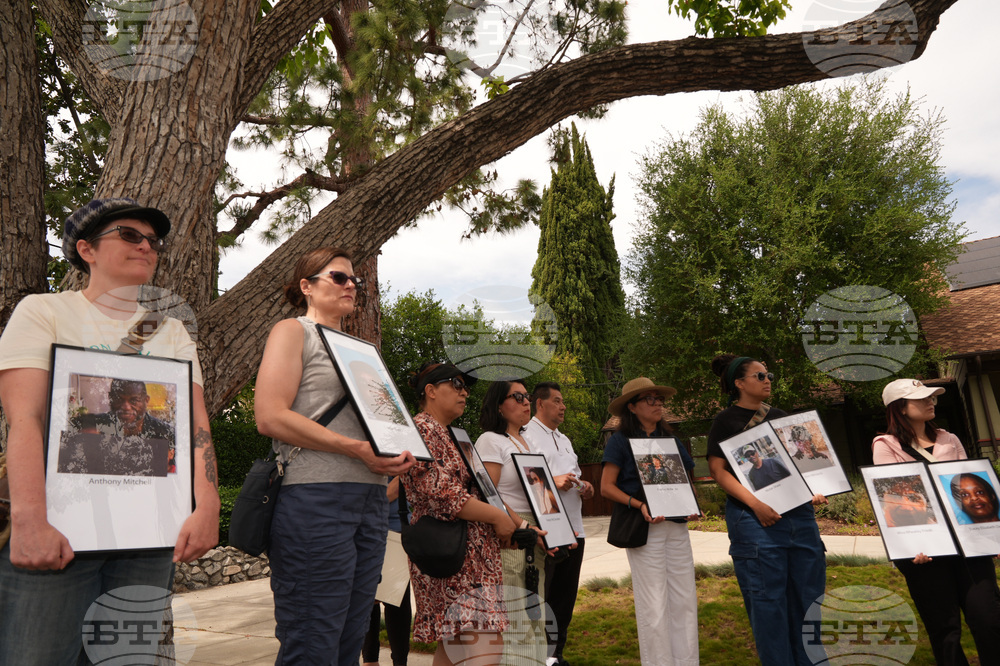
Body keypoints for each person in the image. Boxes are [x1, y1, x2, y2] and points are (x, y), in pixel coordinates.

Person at [0, 198, 221, 664]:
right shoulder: (43, 312)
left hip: (146, 537)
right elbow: (26, 419)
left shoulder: (172, 330)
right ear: (86, 249)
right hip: (61, 531)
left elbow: (195, 425)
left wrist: (208, 504)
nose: (146, 246)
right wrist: (30, 520)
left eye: (153, 240)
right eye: (129, 235)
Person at [254, 247, 415, 665]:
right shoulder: (293, 331)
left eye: (355, 281)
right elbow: (270, 416)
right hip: (315, 498)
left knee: (351, 636)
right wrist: (356, 448)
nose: (351, 286)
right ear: (306, 286)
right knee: (312, 639)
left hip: (372, 502)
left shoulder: (363, 350)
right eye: (339, 277)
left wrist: (398, 454)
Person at [706, 355, 827, 666]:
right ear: (739, 383)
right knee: (768, 605)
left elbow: (803, 464)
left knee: (809, 600)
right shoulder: (725, 421)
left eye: (768, 374)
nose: (768, 379)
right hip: (753, 522)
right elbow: (719, 472)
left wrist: (814, 487)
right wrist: (756, 504)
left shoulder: (782, 417)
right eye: (760, 376)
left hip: (799, 518)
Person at [872, 378, 1000, 665]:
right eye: (921, 398)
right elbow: (895, 497)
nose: (931, 401)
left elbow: (967, 485)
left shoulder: (949, 439)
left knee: (989, 619)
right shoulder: (885, 445)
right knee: (946, 631)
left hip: (967, 547)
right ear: (900, 407)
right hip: (925, 553)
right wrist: (912, 545)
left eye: (932, 397)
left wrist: (992, 534)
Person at [400, 362, 517, 666]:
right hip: (453, 557)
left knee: (453, 647)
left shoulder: (452, 434)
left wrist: (516, 521)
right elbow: (441, 491)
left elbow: (482, 489)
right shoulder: (422, 428)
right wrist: (497, 517)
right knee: (485, 647)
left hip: (467, 556)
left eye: (466, 386)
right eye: (456, 384)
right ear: (431, 391)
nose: (464, 392)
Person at [600, 377, 698, 666]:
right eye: (650, 399)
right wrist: (639, 504)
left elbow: (686, 482)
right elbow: (606, 486)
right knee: (654, 607)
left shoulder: (672, 441)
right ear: (632, 407)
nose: (658, 405)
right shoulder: (620, 441)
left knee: (685, 602)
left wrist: (693, 505)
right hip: (645, 530)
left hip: (677, 527)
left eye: (659, 399)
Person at [476, 379, 552, 666]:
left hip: (537, 531)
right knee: (516, 619)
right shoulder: (489, 440)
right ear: (498, 405)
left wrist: (553, 530)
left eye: (526, 396)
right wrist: (523, 526)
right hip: (511, 534)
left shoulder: (527, 441)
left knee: (536, 617)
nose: (525, 402)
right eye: (516, 396)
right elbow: (488, 493)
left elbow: (541, 492)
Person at [523, 381, 594, 666]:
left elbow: (574, 476)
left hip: (576, 528)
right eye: (557, 401)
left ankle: (556, 656)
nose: (563, 406)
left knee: (564, 602)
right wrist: (554, 482)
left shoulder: (563, 439)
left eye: (563, 401)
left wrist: (585, 486)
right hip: (549, 530)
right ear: (540, 403)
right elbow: (527, 481)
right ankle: (539, 658)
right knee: (544, 599)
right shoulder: (527, 435)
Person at [61, 379, 176, 476]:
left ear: (146, 400)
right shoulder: (90, 426)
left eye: (134, 400)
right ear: (110, 398)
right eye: (119, 399)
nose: (126, 407)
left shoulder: (165, 433)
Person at [362, 478, 412, 666]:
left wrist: (368, 507)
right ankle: (369, 660)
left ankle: (399, 662)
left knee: (396, 599)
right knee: (366, 597)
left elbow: (402, 474)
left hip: (393, 524)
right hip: (363, 523)